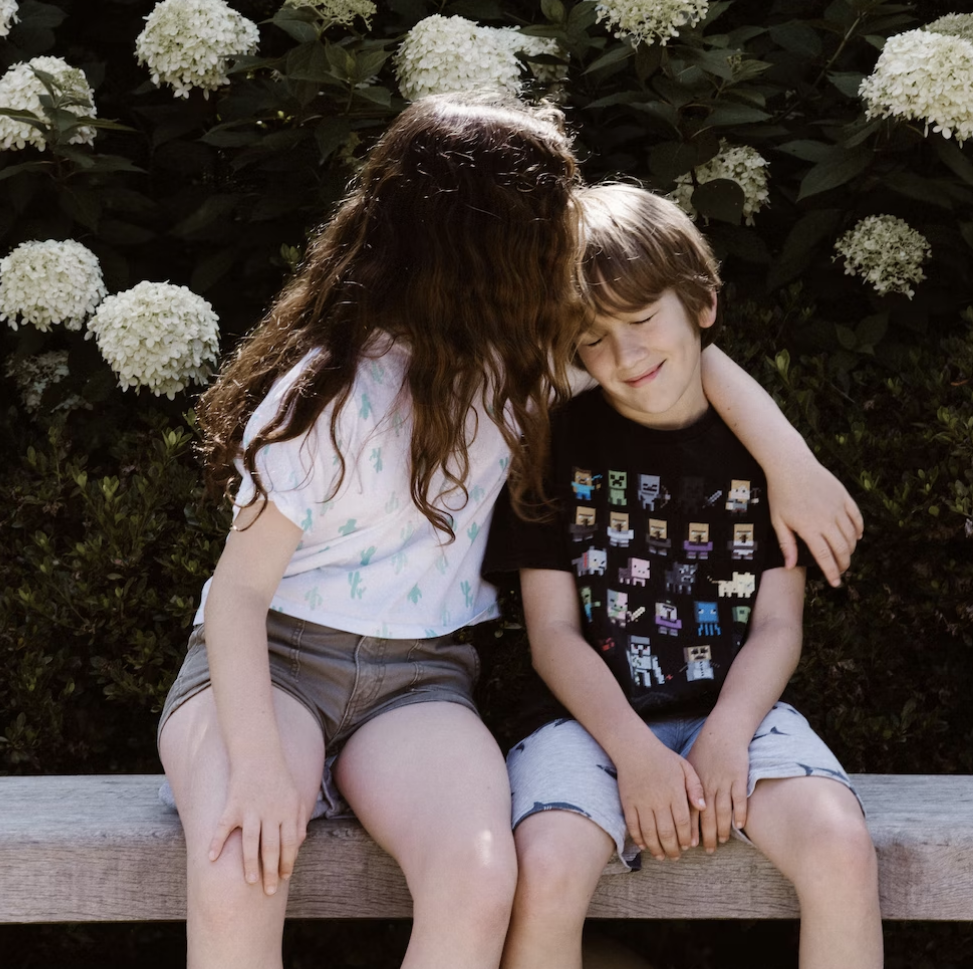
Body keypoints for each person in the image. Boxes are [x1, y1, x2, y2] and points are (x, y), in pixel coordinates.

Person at [158, 95, 864, 969]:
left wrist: (785, 459)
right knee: (241, 857)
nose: (565, 247)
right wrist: (262, 768)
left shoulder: (515, 373)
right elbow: (236, 598)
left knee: (480, 871)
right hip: (274, 658)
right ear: (480, 254)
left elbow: (677, 348)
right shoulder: (330, 391)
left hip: (417, 680)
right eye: (548, 230)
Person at [483, 183, 882, 969]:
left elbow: (776, 624)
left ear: (700, 304)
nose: (624, 357)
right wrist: (634, 753)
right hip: (584, 724)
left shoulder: (767, 457)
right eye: (592, 339)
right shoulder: (555, 444)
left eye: (639, 321)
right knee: (548, 866)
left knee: (838, 845)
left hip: (735, 710)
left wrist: (729, 734)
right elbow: (552, 635)